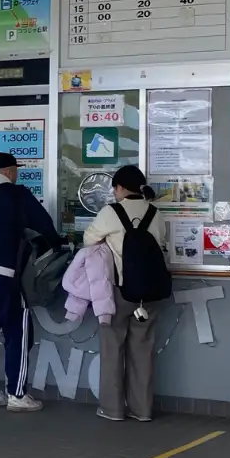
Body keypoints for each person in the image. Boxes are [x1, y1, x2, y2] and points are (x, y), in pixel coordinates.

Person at [0, 151, 62, 411]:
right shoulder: (18, 196)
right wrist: (59, 246)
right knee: (17, 333)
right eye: (15, 170)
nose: (17, 175)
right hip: (7, 275)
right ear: (8, 172)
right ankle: (17, 394)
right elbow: (45, 227)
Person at [83, 164, 168, 421]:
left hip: (118, 293)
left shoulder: (111, 212)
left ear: (119, 188)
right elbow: (162, 244)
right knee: (142, 351)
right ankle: (142, 410)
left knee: (112, 349)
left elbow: (89, 239)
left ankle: (112, 409)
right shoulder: (156, 213)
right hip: (150, 294)